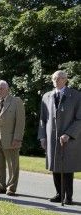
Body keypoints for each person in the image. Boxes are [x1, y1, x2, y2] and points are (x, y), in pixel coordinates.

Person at [38, 70, 81, 205]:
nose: (56, 80)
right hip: (51, 138)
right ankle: (59, 194)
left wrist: (68, 134)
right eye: (54, 78)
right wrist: (42, 137)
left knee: (67, 167)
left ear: (66, 80)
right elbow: (43, 119)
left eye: (60, 78)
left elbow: (79, 119)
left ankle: (68, 196)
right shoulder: (47, 96)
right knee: (55, 166)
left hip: (69, 138)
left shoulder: (75, 95)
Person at [0, 80, 25, 196]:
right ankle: (0, 186)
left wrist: (18, 138)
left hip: (12, 140)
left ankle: (11, 188)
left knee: (13, 166)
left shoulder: (16, 101)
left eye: (1, 88)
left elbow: (20, 122)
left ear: (8, 89)